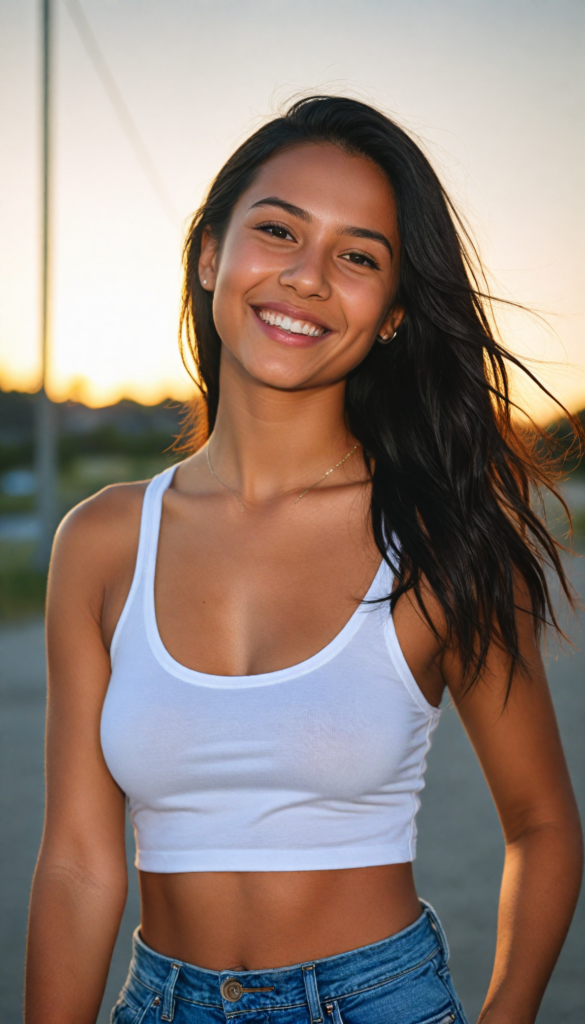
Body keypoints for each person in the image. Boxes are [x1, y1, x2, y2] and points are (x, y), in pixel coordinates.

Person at [25, 96, 582, 1024]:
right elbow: (79, 863)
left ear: (395, 311)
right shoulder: (101, 542)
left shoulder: (441, 542)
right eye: (277, 230)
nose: (307, 276)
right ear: (210, 255)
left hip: (377, 1002)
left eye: (358, 256)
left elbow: (543, 826)